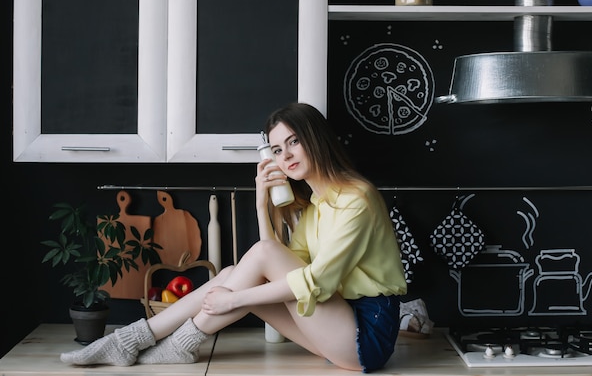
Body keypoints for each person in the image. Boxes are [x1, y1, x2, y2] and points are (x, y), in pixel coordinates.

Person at [60, 102, 407, 373]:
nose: (284, 156)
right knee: (229, 277)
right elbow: (280, 260)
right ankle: (137, 339)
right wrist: (260, 203)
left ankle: (152, 341)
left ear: (315, 139)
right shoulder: (316, 204)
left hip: (366, 336)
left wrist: (234, 302)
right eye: (275, 149)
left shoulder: (356, 198)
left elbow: (319, 280)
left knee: (239, 282)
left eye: (294, 141)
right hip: (335, 331)